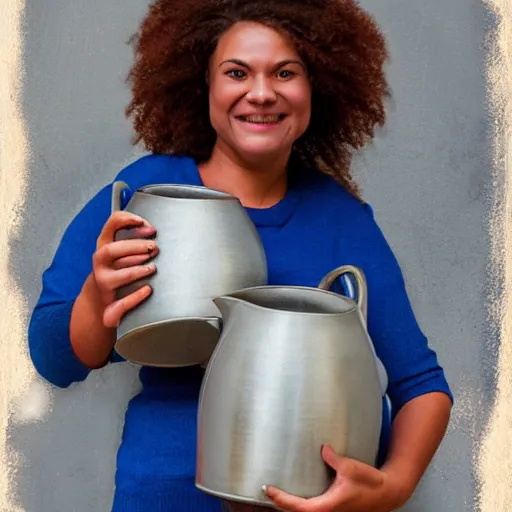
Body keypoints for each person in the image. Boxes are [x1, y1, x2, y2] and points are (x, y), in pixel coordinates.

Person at [27, 0, 453, 511]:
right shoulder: (146, 195)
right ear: (203, 83)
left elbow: (421, 385)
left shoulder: (341, 221)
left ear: (315, 86)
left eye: (285, 72)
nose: (261, 92)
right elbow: (53, 359)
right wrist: (97, 300)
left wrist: (393, 487)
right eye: (236, 72)